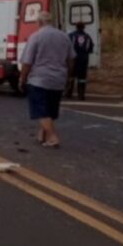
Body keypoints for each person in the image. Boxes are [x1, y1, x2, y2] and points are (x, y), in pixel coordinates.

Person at [19, 11, 76, 148]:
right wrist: (69, 77)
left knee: (41, 111)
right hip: (58, 80)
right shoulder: (64, 37)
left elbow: (27, 62)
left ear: (39, 22)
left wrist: (22, 78)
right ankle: (42, 135)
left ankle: (52, 137)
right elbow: (71, 60)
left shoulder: (36, 37)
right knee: (50, 110)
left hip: (39, 79)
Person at [68, 22, 94, 100]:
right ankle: (81, 94)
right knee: (82, 77)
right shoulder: (87, 37)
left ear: (76, 27)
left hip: (73, 59)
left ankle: (69, 93)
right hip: (83, 59)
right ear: (84, 27)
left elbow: (67, 46)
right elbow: (90, 49)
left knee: (71, 76)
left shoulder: (71, 36)